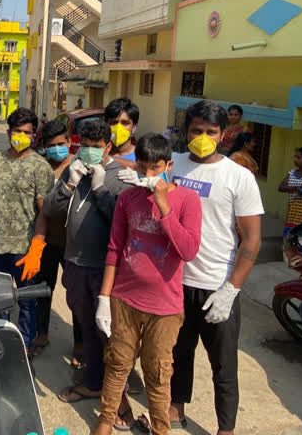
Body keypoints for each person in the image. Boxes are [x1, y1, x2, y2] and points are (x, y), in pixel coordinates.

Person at [155, 100, 263, 435]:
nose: (203, 137)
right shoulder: (174, 166)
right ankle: (176, 408)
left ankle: (225, 429)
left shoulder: (238, 176)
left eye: (211, 131)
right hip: (177, 282)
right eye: (196, 130)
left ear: (223, 133)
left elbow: (252, 241)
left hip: (217, 285)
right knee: (178, 353)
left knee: (224, 365)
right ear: (186, 131)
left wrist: (231, 289)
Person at [93, 133, 202, 435]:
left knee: (157, 373)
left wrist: (164, 203)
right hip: (125, 298)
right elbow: (115, 247)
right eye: (143, 168)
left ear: (169, 165)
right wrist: (105, 297)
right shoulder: (128, 198)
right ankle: (105, 419)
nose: (149, 175)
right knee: (117, 364)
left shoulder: (187, 200)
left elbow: (188, 250)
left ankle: (160, 428)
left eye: (156, 168)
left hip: (164, 307)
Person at [43, 119, 136, 429]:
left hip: (104, 269)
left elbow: (121, 222)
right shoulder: (75, 169)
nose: (91, 152)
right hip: (75, 263)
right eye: (85, 147)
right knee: (85, 325)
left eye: (97, 148)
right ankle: (94, 382)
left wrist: (98, 190)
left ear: (108, 147)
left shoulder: (118, 178)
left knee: (110, 334)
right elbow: (52, 211)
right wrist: (70, 183)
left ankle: (118, 397)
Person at [0, 108, 53, 354]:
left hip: (24, 248)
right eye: (17, 131)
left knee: (26, 301)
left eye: (27, 132)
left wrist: (37, 247)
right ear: (8, 132)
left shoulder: (40, 167)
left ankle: (23, 346)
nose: (21, 136)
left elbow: (44, 212)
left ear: (34, 135)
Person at [31, 119, 80, 361]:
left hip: (74, 243)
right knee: (43, 290)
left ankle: (80, 344)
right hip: (48, 240)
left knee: (77, 295)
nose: (56, 149)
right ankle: (41, 333)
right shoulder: (42, 167)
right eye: (51, 145)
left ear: (69, 143)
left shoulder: (80, 165)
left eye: (61, 144)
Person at [278, 147, 302, 236]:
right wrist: (295, 188)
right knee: (289, 238)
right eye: (295, 157)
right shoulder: (291, 173)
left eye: (298, 158)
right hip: (292, 214)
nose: (295, 159)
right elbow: (281, 187)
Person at [104, 98, 139, 168]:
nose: (118, 128)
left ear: (134, 128)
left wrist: (103, 158)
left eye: (125, 123)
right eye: (114, 122)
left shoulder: (142, 157)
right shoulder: (98, 150)